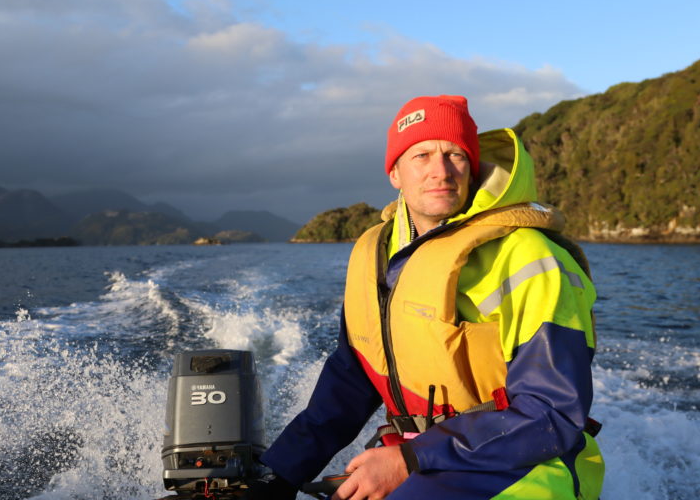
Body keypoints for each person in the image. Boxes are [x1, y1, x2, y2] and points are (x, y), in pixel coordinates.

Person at [251, 95, 604, 499]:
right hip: (423, 459)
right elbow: (352, 381)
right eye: (421, 155)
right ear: (395, 173)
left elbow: (552, 412)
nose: (440, 171)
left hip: (527, 466)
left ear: (472, 168)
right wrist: (279, 475)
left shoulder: (531, 258)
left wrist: (412, 458)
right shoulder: (374, 253)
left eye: (454, 154)